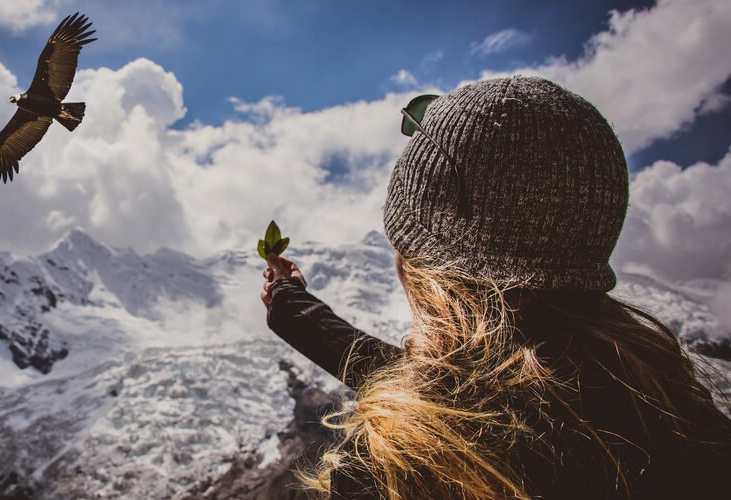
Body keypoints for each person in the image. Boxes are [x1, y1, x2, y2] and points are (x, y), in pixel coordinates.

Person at [261, 76, 731, 499]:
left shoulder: (404, 469)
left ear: (422, 259)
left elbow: (462, 404)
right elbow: (465, 392)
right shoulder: (673, 405)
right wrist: (293, 306)